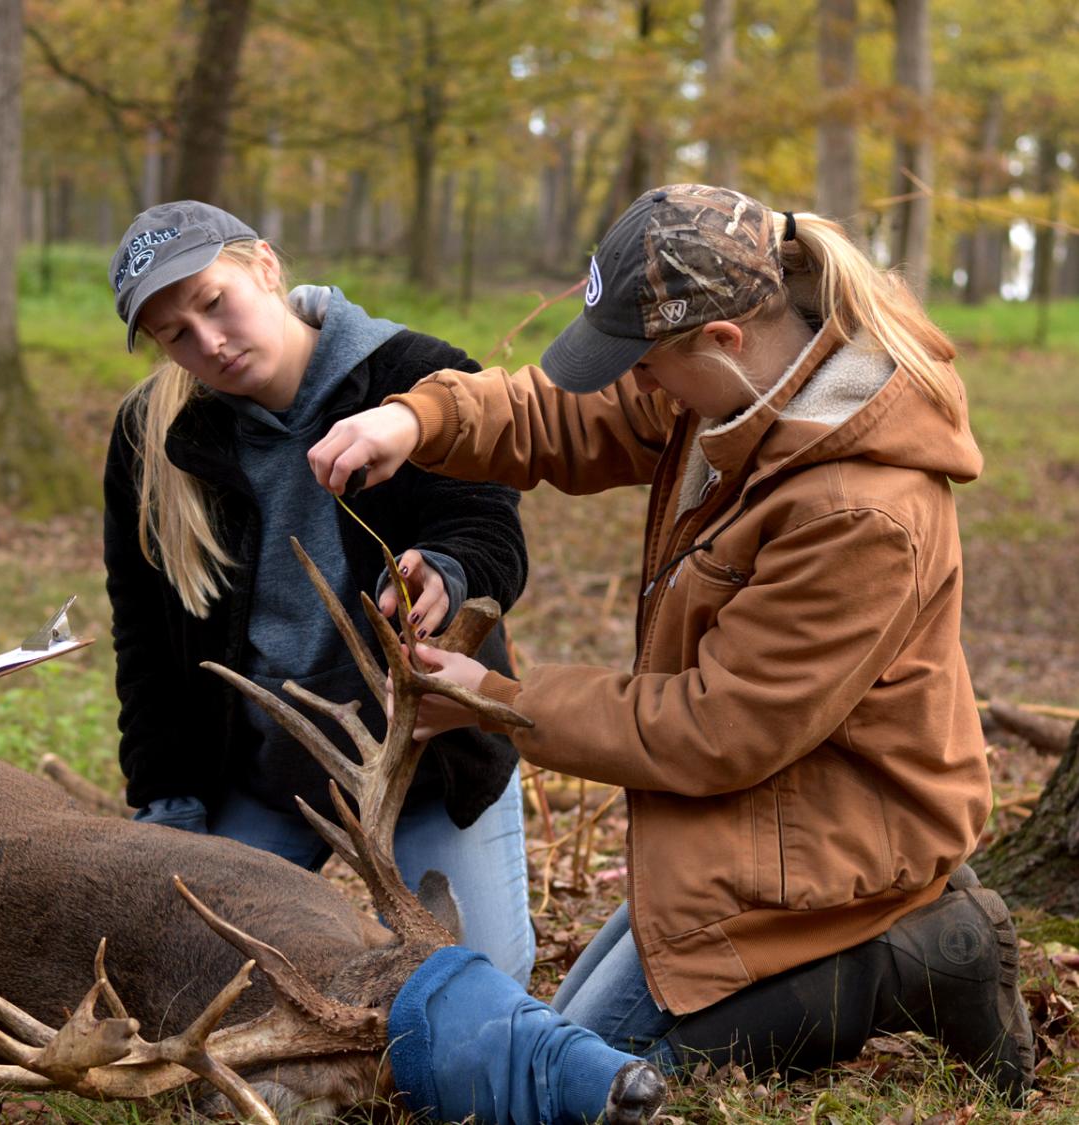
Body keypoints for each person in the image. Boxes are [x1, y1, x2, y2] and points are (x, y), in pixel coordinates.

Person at [310, 184, 1035, 1100]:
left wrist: (499, 702)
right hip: (753, 820)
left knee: (580, 1081)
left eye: (645, 364)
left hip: (830, 844)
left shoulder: (857, 509)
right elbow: (566, 416)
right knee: (560, 1046)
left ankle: (916, 956)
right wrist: (418, 419)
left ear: (722, 337)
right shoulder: (737, 391)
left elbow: (717, 727)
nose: (639, 386)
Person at [103, 200, 535, 985]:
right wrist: (168, 799)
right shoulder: (153, 440)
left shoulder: (416, 376)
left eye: (215, 302)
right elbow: (145, 637)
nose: (210, 342)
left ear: (266, 266)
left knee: (479, 984)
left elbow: (488, 524)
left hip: (427, 763)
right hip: (266, 773)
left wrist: (448, 570)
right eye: (176, 334)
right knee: (193, 979)